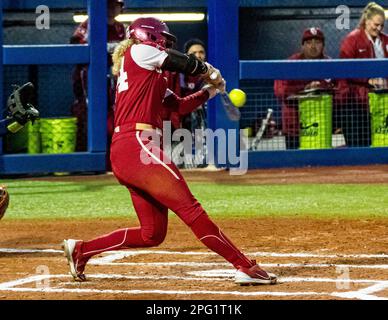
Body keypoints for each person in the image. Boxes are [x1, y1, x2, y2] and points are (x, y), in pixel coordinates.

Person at [63, 17, 277, 286]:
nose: (165, 43)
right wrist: (209, 69)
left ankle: (82, 250)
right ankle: (244, 265)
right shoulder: (138, 50)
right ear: (149, 36)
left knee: (152, 234)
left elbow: (178, 106)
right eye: (163, 38)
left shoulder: (145, 72)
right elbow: (184, 62)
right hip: (138, 145)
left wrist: (210, 91)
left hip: (127, 150)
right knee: (191, 209)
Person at [70, 0, 125, 169]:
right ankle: (84, 167)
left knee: (117, 122)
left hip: (115, 83)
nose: (110, 9)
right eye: (107, 5)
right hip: (90, 84)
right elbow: (74, 44)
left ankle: (114, 165)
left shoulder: (121, 28)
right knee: (88, 121)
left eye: (115, 5)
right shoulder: (89, 25)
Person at [274, 27, 334, 149]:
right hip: (294, 126)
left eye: (317, 42)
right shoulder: (290, 64)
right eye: (308, 43)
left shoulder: (331, 64)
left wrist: (322, 89)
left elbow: (340, 91)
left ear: (323, 46)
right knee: (294, 164)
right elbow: (280, 91)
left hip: (321, 125)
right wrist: (304, 89)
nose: (313, 46)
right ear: (302, 46)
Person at [338, 2, 388, 147]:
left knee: (377, 145)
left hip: (380, 105)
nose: (378, 28)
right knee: (357, 147)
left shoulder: (385, 40)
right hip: (354, 103)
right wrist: (368, 79)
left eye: (381, 25)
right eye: (376, 24)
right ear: (367, 21)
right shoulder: (352, 40)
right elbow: (344, 70)